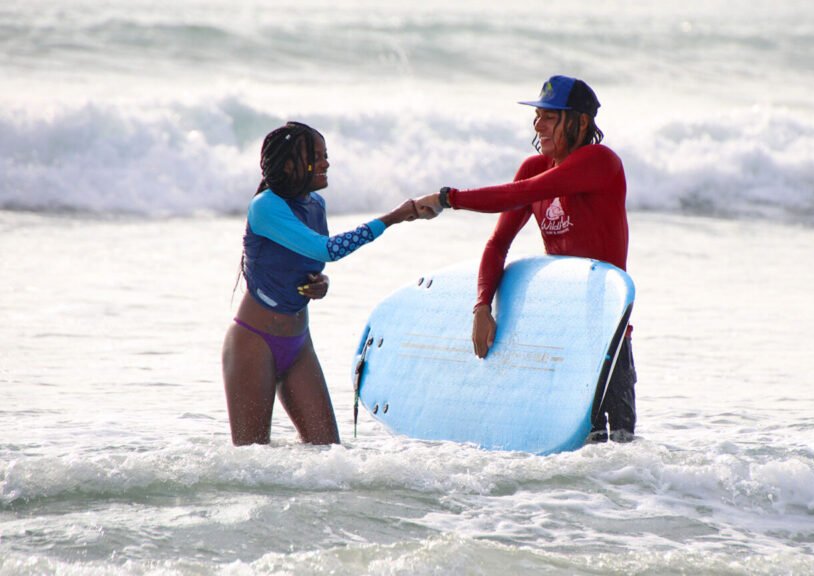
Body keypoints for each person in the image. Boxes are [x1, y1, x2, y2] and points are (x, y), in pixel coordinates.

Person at [415, 75, 637, 443]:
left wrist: (447, 198)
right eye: (537, 115)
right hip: (557, 335)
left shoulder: (600, 162)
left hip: (605, 337)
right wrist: (482, 306)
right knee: (564, 452)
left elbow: (523, 193)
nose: (538, 124)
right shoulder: (534, 166)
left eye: (550, 116)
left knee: (616, 453)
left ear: (581, 122)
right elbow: (497, 244)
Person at [224, 121, 419, 446]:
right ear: (289, 164)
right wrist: (392, 218)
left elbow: (311, 260)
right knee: (252, 465)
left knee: (328, 454)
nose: (326, 162)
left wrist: (318, 283)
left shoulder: (316, 204)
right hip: (254, 343)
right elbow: (327, 250)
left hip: (299, 344)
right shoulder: (266, 206)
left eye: (326, 154)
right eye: (316, 155)